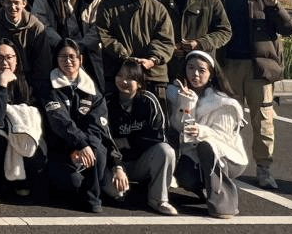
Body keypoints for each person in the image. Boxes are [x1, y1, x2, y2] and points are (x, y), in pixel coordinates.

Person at [211, 0, 292, 189]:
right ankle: (228, 165)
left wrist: (275, 6)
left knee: (263, 119)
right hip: (227, 66)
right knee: (227, 119)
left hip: (258, 67)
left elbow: (290, 29)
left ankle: (264, 169)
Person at [168, 50, 249, 219]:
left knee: (206, 145)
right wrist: (187, 104)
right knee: (185, 176)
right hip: (193, 154)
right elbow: (178, 128)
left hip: (227, 156)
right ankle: (206, 187)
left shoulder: (224, 103)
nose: (195, 74)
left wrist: (202, 131)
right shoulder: (178, 93)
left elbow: (225, 138)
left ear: (211, 74)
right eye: (191, 68)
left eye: (201, 70)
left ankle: (224, 204)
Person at [41, 39, 111, 213]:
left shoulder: (92, 89)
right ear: (56, 59)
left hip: (86, 148)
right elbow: (60, 121)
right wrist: (80, 144)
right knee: (73, 183)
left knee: (99, 150)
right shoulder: (49, 87)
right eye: (63, 57)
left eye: (72, 57)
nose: (68, 61)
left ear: (81, 59)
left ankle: (93, 200)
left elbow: (97, 125)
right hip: (60, 149)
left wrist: (87, 145)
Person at [0, 39, 44, 205]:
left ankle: (21, 182)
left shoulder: (25, 81)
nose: (4, 62)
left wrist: (4, 123)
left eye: (9, 57)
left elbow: (31, 114)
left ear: (17, 59)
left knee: (31, 139)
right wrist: (2, 84)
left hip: (19, 130)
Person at [95, 0, 175, 100]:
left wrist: (152, 60)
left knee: (154, 112)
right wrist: (125, 58)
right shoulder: (107, 5)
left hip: (152, 75)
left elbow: (165, 40)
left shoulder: (157, 7)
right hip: (119, 73)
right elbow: (104, 34)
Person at [104, 61, 176, 215]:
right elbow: (105, 139)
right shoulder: (107, 101)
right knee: (116, 192)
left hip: (140, 161)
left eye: (130, 78)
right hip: (114, 163)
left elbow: (159, 136)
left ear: (140, 83)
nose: (123, 81)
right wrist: (117, 166)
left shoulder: (149, 101)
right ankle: (123, 187)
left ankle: (158, 199)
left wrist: (128, 141)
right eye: (120, 75)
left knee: (166, 151)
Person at [150, 0, 232, 82]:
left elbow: (225, 31)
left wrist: (200, 43)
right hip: (164, 70)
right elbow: (146, 33)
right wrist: (167, 49)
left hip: (199, 72)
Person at [0, 0, 58, 90]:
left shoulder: (36, 27)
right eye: (8, 2)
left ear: (24, 3)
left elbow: (43, 61)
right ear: (2, 3)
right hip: (1, 77)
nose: (13, 7)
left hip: (30, 79)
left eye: (16, 3)